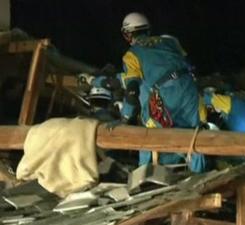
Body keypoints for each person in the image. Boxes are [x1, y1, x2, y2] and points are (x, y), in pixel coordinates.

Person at [79, 12, 205, 172]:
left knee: (149, 137)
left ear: (127, 34)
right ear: (148, 29)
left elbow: (132, 90)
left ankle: (144, 176)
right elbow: (185, 64)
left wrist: (125, 118)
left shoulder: (132, 55)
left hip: (164, 98)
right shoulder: (170, 40)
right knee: (194, 136)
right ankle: (198, 173)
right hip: (189, 91)